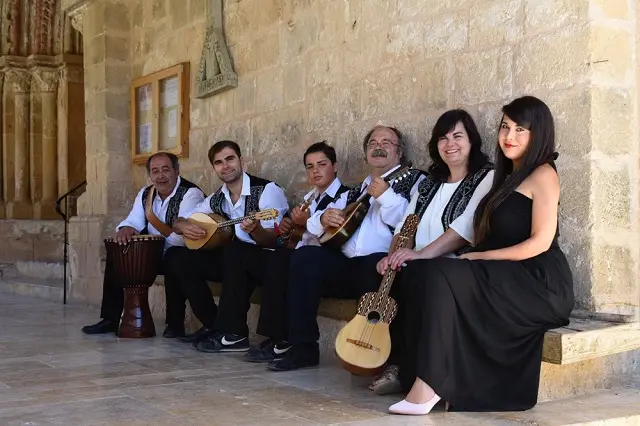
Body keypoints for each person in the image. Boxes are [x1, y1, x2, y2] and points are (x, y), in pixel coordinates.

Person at [389, 96, 574, 416]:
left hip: (539, 281)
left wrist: (483, 258)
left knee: (441, 273)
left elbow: (540, 243)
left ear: (538, 133)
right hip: (506, 273)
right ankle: (419, 375)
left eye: (520, 129)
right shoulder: (506, 176)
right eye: (505, 127)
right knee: (422, 272)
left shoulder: (543, 173)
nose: (509, 136)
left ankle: (429, 386)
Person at [268, 125, 426, 372]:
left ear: (399, 152)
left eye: (386, 142)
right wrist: (323, 218)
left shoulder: (415, 180)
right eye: (373, 143)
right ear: (366, 154)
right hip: (346, 264)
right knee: (305, 256)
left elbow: (412, 221)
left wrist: (386, 196)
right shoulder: (356, 190)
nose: (378, 146)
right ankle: (303, 347)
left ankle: (376, 357)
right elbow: (314, 223)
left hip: (380, 264)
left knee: (373, 265)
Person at [369, 109, 494, 395]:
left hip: (457, 266)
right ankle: (389, 361)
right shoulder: (428, 183)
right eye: (443, 138)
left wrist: (421, 255)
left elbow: (466, 227)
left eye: (457, 136)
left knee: (419, 276)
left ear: (472, 141)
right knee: (378, 272)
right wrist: (393, 256)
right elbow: (406, 226)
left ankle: (411, 370)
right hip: (418, 262)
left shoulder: (485, 177)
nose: (450, 144)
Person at [195, 141, 350, 359]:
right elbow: (294, 238)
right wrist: (289, 230)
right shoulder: (310, 198)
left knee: (278, 261)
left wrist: (302, 225)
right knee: (235, 252)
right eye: (310, 166)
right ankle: (232, 332)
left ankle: (279, 338)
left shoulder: (346, 196)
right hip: (296, 255)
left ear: (335, 166)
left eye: (322, 164)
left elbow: (334, 237)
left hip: (320, 262)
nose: (315, 171)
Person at [166, 140, 289, 345]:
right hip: (235, 262)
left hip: (265, 261)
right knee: (177, 256)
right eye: (219, 162)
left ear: (241, 161)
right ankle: (214, 324)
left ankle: (234, 333)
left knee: (235, 250)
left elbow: (273, 239)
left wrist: (256, 230)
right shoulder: (218, 197)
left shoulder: (267, 190)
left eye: (230, 159)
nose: (225, 166)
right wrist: (182, 224)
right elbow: (182, 219)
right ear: (214, 168)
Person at [81, 152, 205, 337]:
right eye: (155, 171)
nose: (160, 176)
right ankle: (110, 319)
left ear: (176, 171)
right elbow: (134, 220)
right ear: (150, 175)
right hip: (156, 253)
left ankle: (174, 324)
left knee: (175, 257)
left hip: (184, 253)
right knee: (118, 252)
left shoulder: (190, 194)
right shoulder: (146, 194)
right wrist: (127, 229)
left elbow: (182, 237)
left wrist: (153, 246)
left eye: (166, 170)